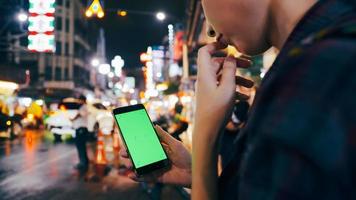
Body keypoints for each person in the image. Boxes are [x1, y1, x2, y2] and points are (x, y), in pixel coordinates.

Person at [120, 0, 356, 199]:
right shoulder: (329, 49)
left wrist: (205, 135)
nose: (211, 31)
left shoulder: (312, 77)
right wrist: (198, 172)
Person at [72, 95, 89, 172]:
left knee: (80, 146)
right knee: (82, 146)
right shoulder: (83, 107)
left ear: (83, 100)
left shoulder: (84, 107)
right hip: (80, 129)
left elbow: (79, 115)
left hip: (81, 129)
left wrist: (73, 118)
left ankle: (82, 163)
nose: (78, 101)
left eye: (79, 100)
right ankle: (84, 162)